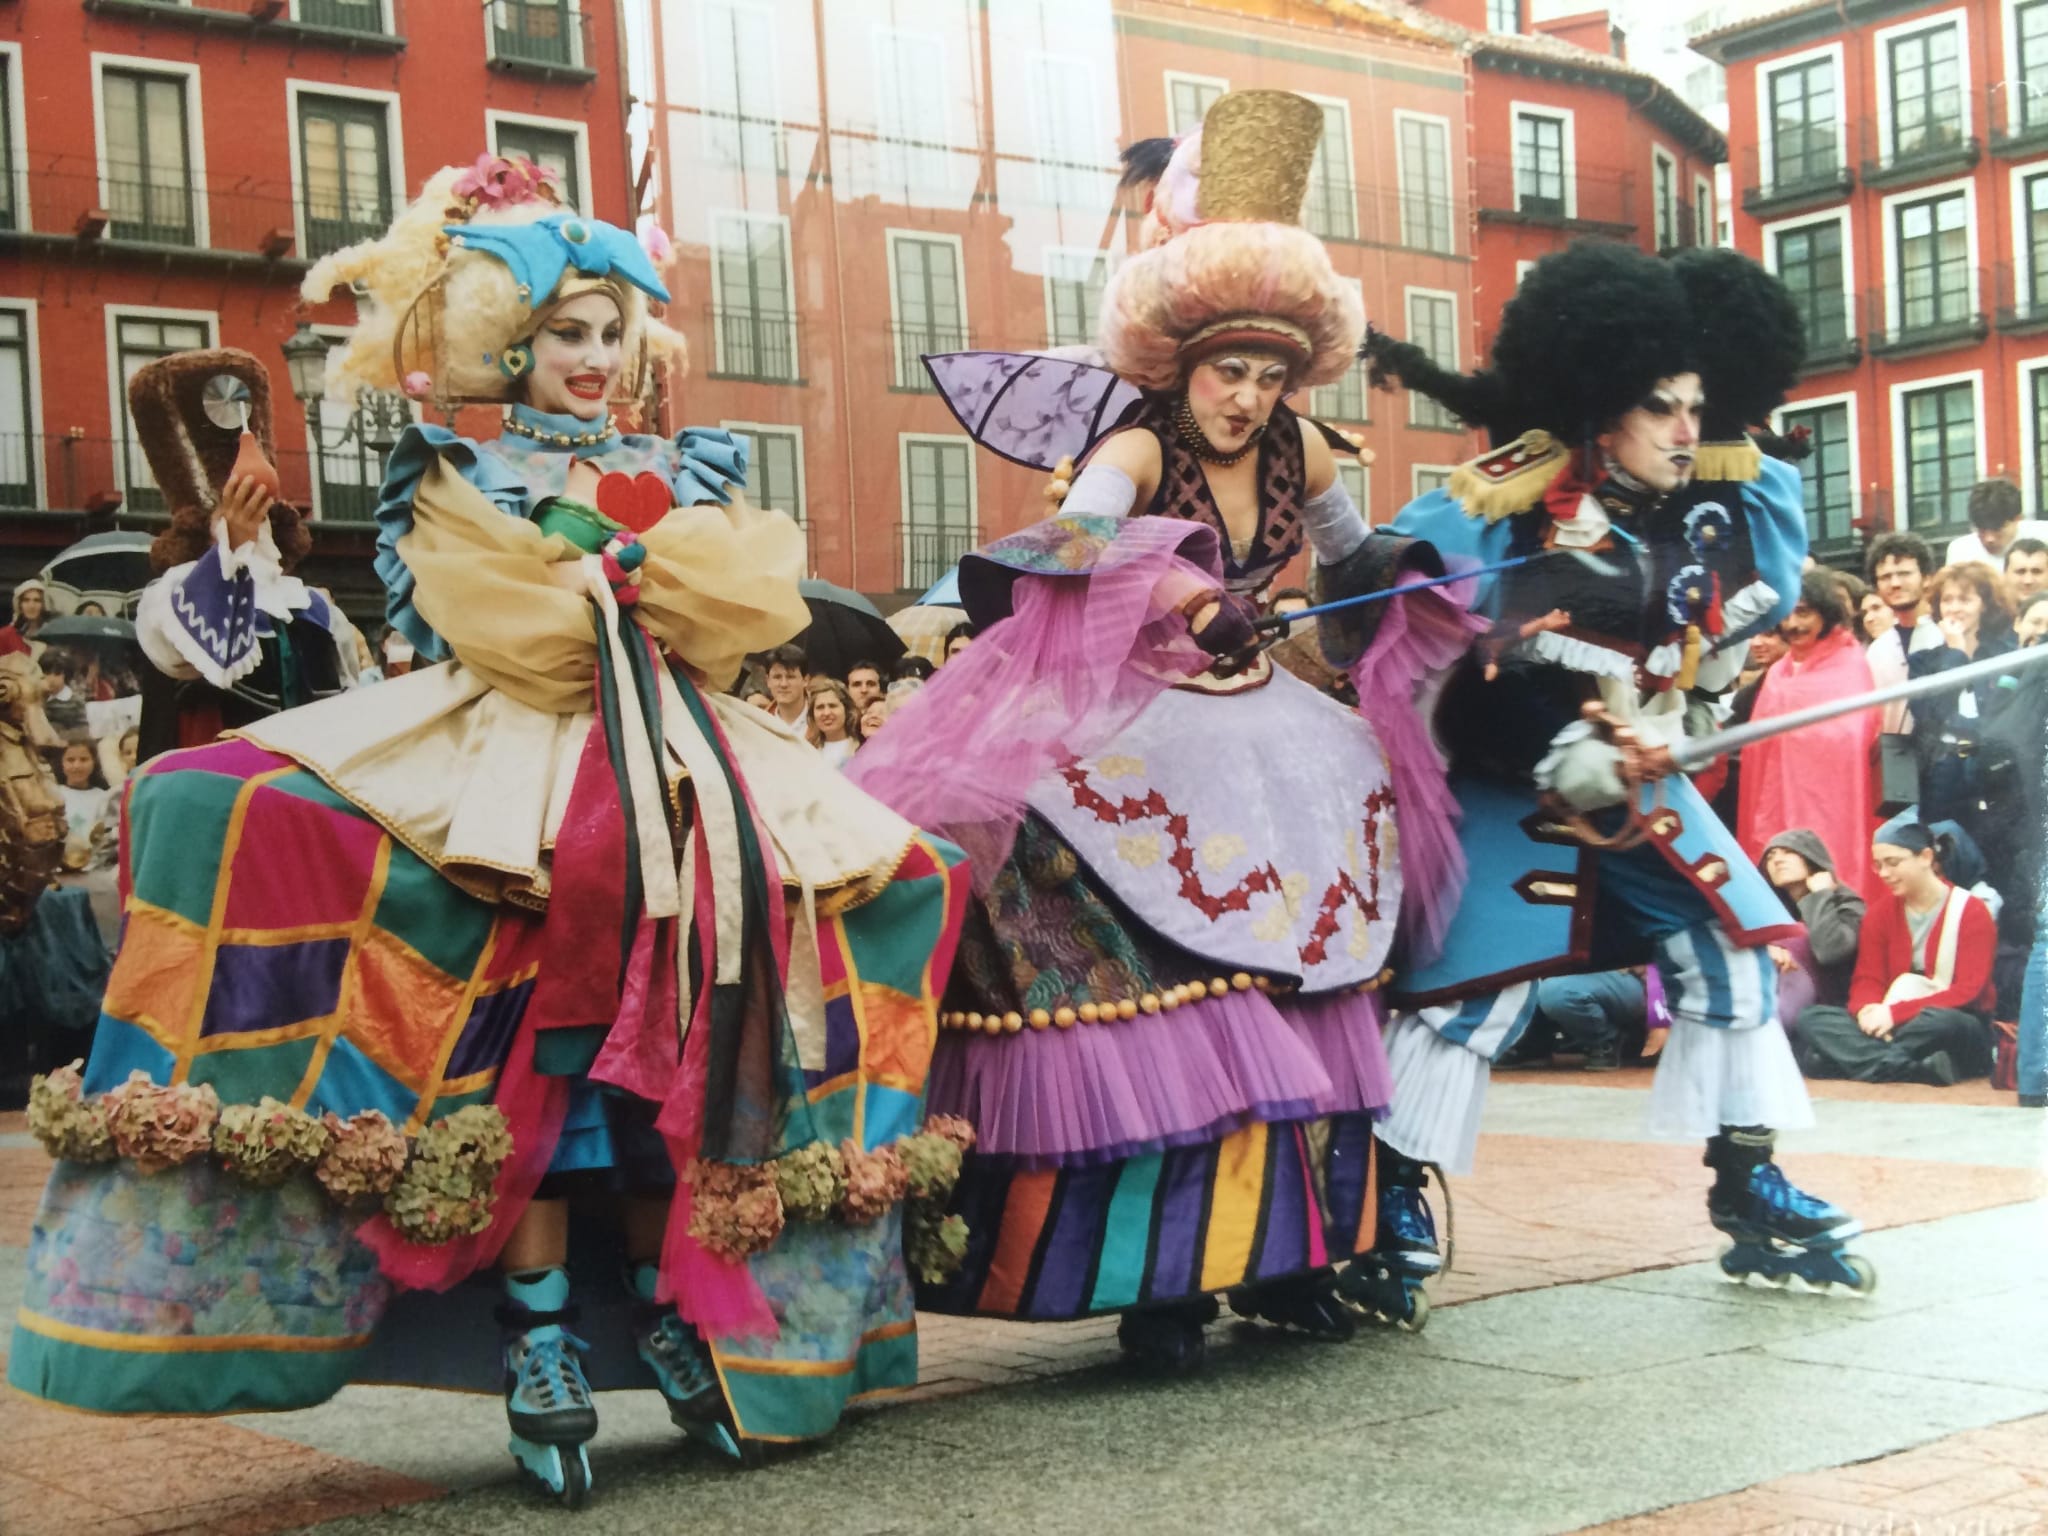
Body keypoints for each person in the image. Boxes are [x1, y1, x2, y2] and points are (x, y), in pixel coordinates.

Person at [8, 156, 967, 1501]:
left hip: (675, 761)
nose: (593, 356)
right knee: (523, 1050)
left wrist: (655, 578)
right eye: (566, 333)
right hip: (512, 754)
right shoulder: (457, 461)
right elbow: (459, 616)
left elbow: (737, 618)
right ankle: (538, 1343)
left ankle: (674, 1312)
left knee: (795, 954)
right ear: (511, 343)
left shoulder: (683, 460)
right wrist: (589, 585)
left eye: (610, 331)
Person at [854, 90, 1473, 1363]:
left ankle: (1295, 1251)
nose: (1246, 398)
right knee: (1172, 990)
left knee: (1306, 972)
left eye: (1266, 374)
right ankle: (1165, 1272)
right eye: (1226, 372)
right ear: (1177, 364)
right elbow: (1060, 550)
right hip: (1136, 724)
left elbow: (1354, 566)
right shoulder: (1136, 447)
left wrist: (1415, 568)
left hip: (1269, 732)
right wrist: (1181, 589)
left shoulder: (1301, 447)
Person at [1365, 241, 1873, 1304]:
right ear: (1598, 406)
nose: (1688, 431)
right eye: (1659, 407)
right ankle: (1387, 1191)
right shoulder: (1503, 510)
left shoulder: (1708, 512)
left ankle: (1748, 1184)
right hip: (1510, 788)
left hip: (1645, 790)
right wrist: (1565, 737)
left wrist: (1678, 710)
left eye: (1696, 405)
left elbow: (1700, 654)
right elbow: (1459, 658)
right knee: (1471, 1000)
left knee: (1734, 958)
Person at [128, 351, 352, 764]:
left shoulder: (312, 607)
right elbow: (179, 657)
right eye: (234, 510)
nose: (254, 522)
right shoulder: (173, 597)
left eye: (261, 513)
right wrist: (231, 546)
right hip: (225, 789)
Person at [1797, 820, 1995, 1084]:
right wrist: (1867, 1010)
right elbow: (1868, 979)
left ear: (1925, 857)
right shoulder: (1880, 913)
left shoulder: (1971, 910)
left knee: (1941, 1022)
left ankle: (1850, 1061)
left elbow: (1968, 991)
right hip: (1890, 1020)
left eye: (1893, 862)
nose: (1884, 873)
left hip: (1950, 1019)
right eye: (1878, 865)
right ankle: (1916, 1069)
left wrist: (1894, 1014)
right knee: (1811, 1017)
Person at [1737, 570, 1878, 897]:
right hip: (1774, 802)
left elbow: (1851, 736)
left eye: (1803, 613)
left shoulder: (1848, 662)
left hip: (1827, 806)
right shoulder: (1779, 671)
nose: (1792, 624)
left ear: (1825, 614)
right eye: (1785, 613)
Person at [1910, 562, 2017, 852]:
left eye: (1965, 599)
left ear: (1984, 605)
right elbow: (1929, 714)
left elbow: (2003, 714)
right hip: (1942, 773)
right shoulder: (1923, 662)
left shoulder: (2007, 655)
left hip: (1992, 771)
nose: (1954, 608)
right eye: (1947, 600)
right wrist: (1955, 653)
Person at [1758, 829, 1867, 1036]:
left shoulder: (1847, 903)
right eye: (1770, 856)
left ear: (1810, 857)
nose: (1777, 860)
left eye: (1788, 852)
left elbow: (1831, 951)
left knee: (1797, 941)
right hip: (1771, 994)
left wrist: (1821, 895)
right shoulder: (1769, 911)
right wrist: (1768, 948)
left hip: (1829, 1005)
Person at [1866, 532, 1943, 736]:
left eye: (1904, 574)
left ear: (1926, 578)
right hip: (1896, 756)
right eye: (1885, 577)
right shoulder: (1877, 650)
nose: (1895, 583)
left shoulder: (1945, 635)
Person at [1944, 478, 2048, 570]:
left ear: (2017, 519)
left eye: (1997, 529)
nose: (1989, 539)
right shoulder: (1960, 552)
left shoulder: (2044, 535)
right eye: (1982, 530)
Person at [51, 740, 112, 871]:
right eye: (70, 760)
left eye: (84, 759)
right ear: (62, 763)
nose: (77, 765)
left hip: (93, 869)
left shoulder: (103, 797)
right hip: (57, 870)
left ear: (94, 762)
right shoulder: (53, 794)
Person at [804, 675, 860, 768]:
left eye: (832, 706)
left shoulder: (861, 749)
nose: (826, 713)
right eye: (820, 707)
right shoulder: (807, 751)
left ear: (846, 710)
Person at [761, 641, 808, 730]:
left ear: (805, 680)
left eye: (790, 677)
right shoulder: (758, 724)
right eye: (777, 677)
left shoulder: (823, 719)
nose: (783, 684)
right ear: (767, 681)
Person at [2004, 537, 2048, 604]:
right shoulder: (1987, 612)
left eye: (2036, 572)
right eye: (2020, 572)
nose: (2028, 581)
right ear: (2005, 575)